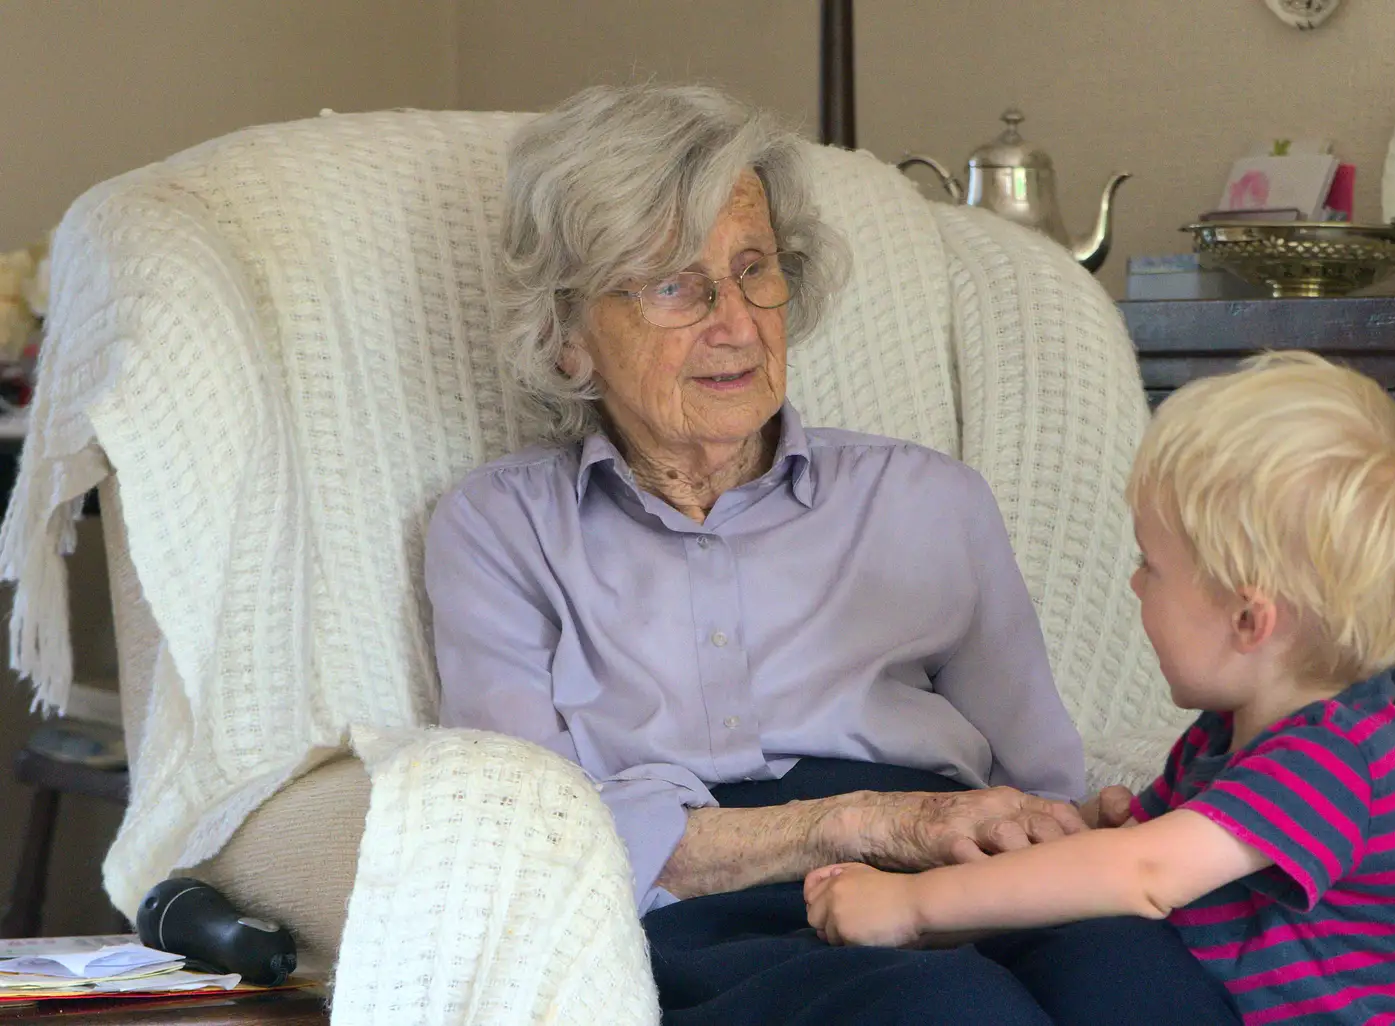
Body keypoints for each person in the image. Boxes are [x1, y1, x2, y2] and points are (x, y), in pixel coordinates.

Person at [424, 83, 1243, 1024]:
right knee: (947, 1010)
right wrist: (848, 827)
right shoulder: (499, 529)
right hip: (707, 911)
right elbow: (527, 840)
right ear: (569, 340)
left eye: (753, 269)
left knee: (1146, 985)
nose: (734, 323)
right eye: (671, 285)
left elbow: (1037, 778)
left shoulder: (928, 499)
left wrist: (1068, 830)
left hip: (964, 870)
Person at [805, 352, 1395, 1024]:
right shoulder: (1223, 738)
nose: (1133, 584)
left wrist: (910, 909)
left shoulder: (1334, 757)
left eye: (1151, 566)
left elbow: (1142, 877)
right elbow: (1110, 872)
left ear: (1247, 617)